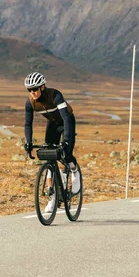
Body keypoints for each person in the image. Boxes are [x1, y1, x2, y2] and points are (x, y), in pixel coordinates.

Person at [23, 72, 81, 212]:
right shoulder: (30, 102)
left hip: (67, 121)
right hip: (53, 124)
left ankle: (74, 171)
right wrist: (29, 143)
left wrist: (66, 141)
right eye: (29, 90)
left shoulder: (55, 95)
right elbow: (27, 124)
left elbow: (66, 118)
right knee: (49, 159)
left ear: (42, 87)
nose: (32, 92)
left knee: (66, 154)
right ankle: (52, 198)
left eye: (35, 89)